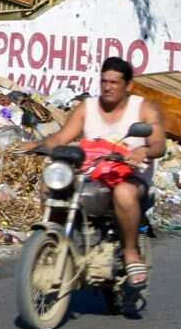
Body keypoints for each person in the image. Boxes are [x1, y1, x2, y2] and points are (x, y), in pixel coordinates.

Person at [32, 56, 167, 286]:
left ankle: (130, 252)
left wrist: (143, 151)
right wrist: (36, 146)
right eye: (104, 81)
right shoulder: (87, 107)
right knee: (51, 184)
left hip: (130, 175)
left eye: (114, 82)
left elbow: (158, 144)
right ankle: (54, 242)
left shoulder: (143, 108)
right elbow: (63, 137)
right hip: (92, 173)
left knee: (123, 193)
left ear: (129, 86)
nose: (107, 87)